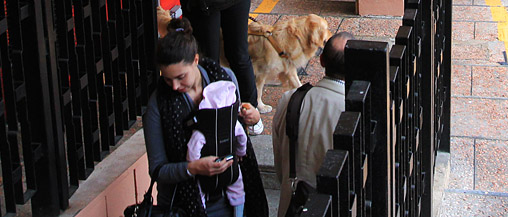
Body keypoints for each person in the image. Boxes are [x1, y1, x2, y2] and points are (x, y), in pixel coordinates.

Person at [142, 17, 266, 217]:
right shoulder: (158, 104)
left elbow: (237, 129)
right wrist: (193, 168)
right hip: (182, 205)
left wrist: (253, 117)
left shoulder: (225, 79)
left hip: (231, 195)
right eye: (167, 79)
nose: (174, 86)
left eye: (180, 77)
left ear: (196, 60)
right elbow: (157, 170)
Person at [272, 32, 352, 217]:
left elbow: (279, 165)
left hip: (291, 207)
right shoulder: (350, 113)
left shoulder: (289, 100)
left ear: (321, 60)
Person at [185, 81, 248, 217]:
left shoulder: (202, 129)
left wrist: (193, 163)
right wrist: (240, 153)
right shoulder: (233, 123)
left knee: (199, 189)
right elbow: (242, 138)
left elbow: (192, 148)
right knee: (237, 186)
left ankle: (202, 210)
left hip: (206, 167)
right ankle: (238, 212)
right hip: (230, 161)